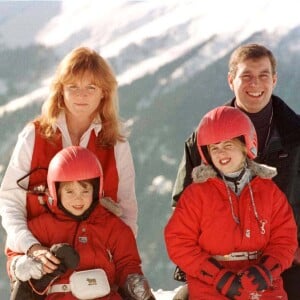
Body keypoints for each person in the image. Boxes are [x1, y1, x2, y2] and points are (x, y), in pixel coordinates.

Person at [171, 43, 300, 299]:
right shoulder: (204, 138)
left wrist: (289, 253)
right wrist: (204, 266)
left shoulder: (296, 135)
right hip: (221, 265)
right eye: (246, 76)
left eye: (263, 75)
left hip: (288, 259)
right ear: (231, 80)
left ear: (274, 80)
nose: (256, 84)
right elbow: (182, 203)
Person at [0, 46, 138, 273]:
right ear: (60, 91)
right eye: (73, 87)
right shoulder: (33, 136)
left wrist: (122, 261)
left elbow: (127, 209)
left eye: (90, 87)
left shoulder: (116, 144)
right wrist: (31, 247)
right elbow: (10, 201)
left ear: (104, 92)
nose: (81, 95)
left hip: (97, 261)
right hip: (39, 259)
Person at [8, 146, 155, 300]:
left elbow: (127, 262)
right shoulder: (43, 226)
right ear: (56, 190)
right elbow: (15, 249)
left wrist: (133, 282)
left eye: (85, 191)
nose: (78, 199)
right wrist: (20, 264)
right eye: (69, 191)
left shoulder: (112, 227)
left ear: (96, 189)